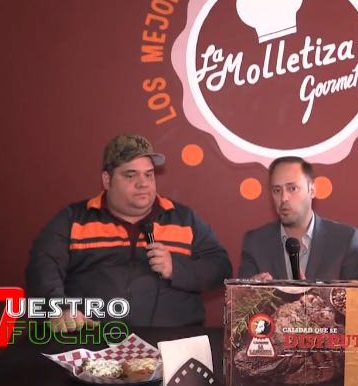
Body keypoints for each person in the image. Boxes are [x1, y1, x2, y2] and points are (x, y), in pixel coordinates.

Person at [26, 134, 232, 331]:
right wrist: (59, 308)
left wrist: (176, 269)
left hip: (173, 343)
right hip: (95, 340)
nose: (143, 183)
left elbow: (220, 267)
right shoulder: (74, 219)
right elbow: (42, 266)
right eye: (130, 175)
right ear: (107, 180)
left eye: (148, 175)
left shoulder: (184, 218)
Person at [238, 156, 358, 280]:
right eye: (277, 190)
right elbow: (241, 294)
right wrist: (250, 291)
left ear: (312, 190)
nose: (284, 198)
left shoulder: (345, 240)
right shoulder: (255, 242)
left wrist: (311, 293)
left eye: (292, 188)